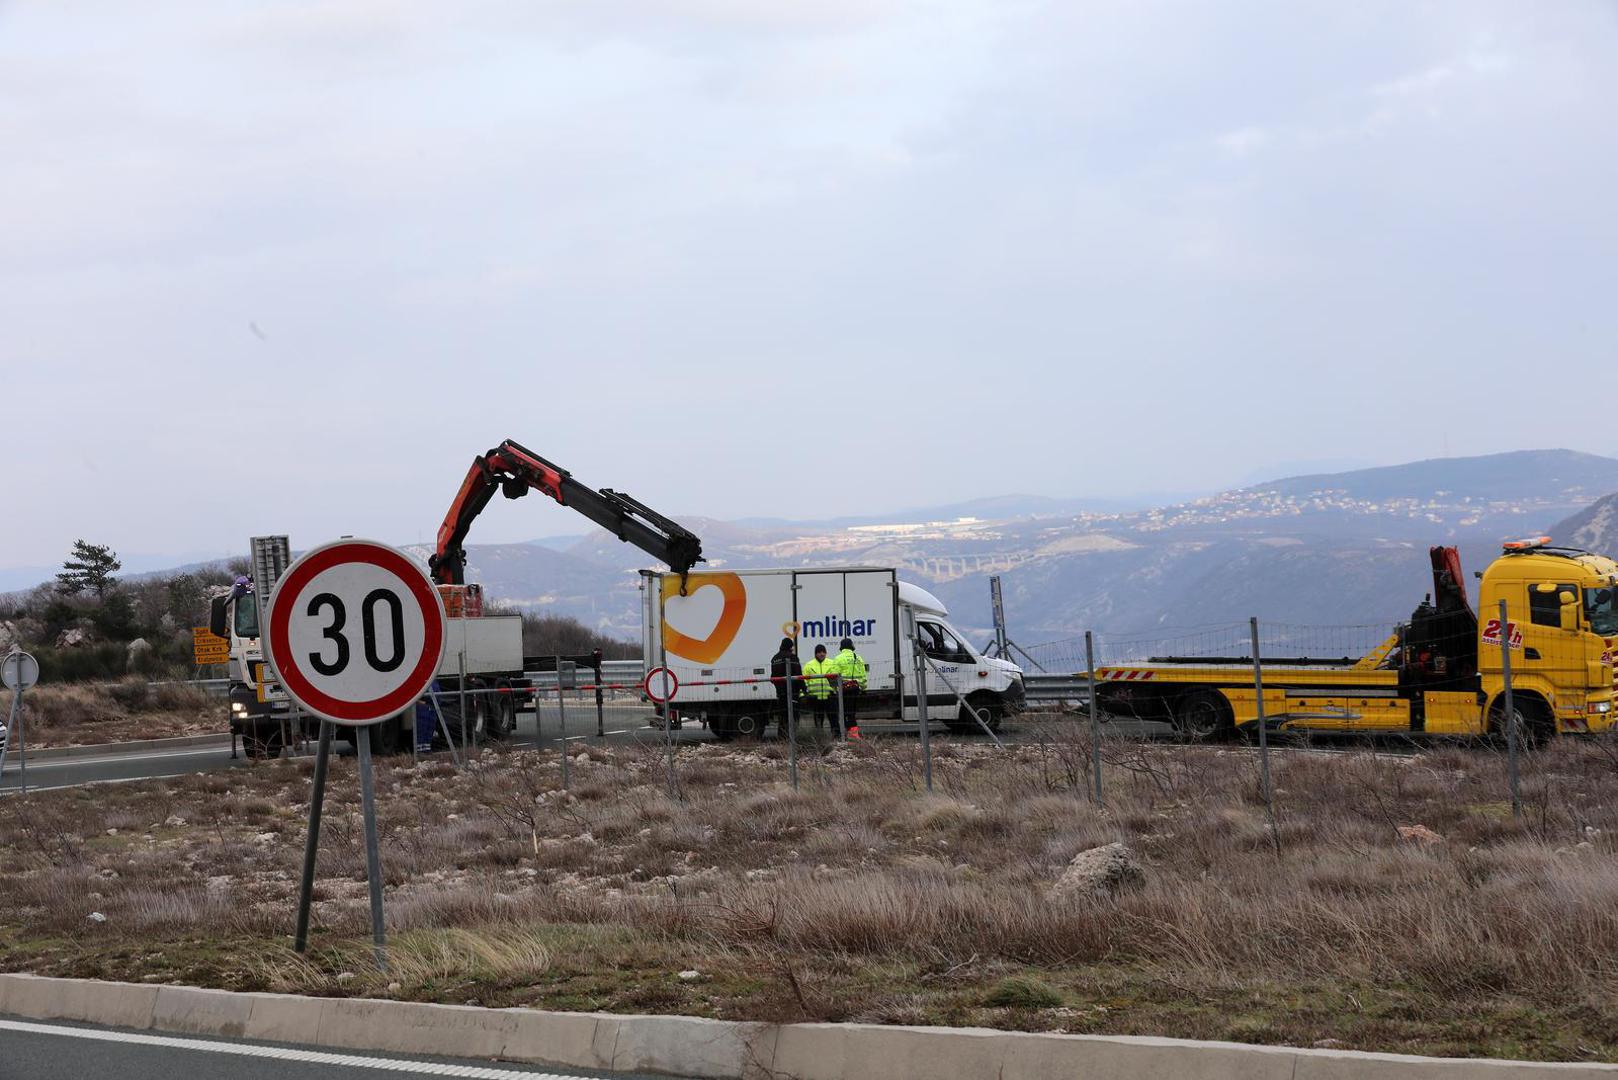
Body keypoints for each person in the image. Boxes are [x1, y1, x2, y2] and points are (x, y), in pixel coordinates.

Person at [827, 636, 868, 737]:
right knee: (852, 713)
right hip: (855, 689)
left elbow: (833, 675)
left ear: (841, 647)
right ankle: (852, 734)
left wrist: (834, 688)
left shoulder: (838, 658)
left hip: (844, 690)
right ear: (852, 646)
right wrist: (862, 687)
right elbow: (863, 676)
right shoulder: (858, 658)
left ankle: (850, 736)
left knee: (845, 713)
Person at [769, 637, 803, 736]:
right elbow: (798, 675)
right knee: (793, 718)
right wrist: (804, 689)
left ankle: (781, 739)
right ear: (790, 646)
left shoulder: (774, 658)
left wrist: (779, 687)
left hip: (780, 693)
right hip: (793, 693)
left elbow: (773, 678)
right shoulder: (792, 657)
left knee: (782, 718)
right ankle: (792, 739)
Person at [802, 643, 835, 734]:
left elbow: (836, 679)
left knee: (833, 718)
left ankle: (836, 735)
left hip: (829, 696)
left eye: (824, 652)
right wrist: (804, 694)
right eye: (819, 652)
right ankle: (819, 735)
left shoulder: (832, 663)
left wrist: (836, 691)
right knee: (818, 719)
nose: (822, 654)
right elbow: (804, 681)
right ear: (815, 654)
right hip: (815, 697)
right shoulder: (809, 665)